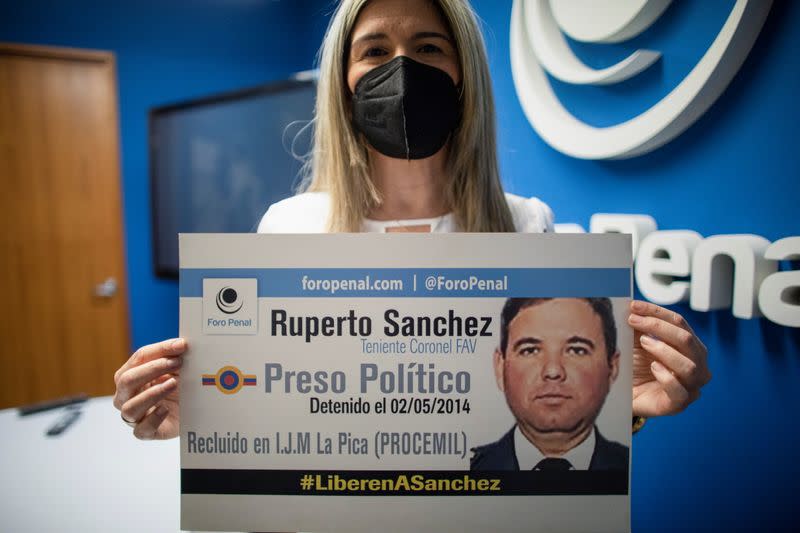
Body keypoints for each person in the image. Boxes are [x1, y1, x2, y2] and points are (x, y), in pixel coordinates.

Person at [113, 0, 711, 441]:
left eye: (428, 48)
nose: (401, 70)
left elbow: (534, 421)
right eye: (374, 50)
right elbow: (271, 406)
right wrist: (196, 418)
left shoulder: (527, 225)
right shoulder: (288, 228)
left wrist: (619, 405)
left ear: (463, 78)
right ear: (343, 87)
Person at [471, 297, 627, 472]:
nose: (553, 371)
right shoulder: (465, 471)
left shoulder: (638, 471)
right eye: (530, 350)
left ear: (612, 367)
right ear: (500, 367)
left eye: (576, 350)